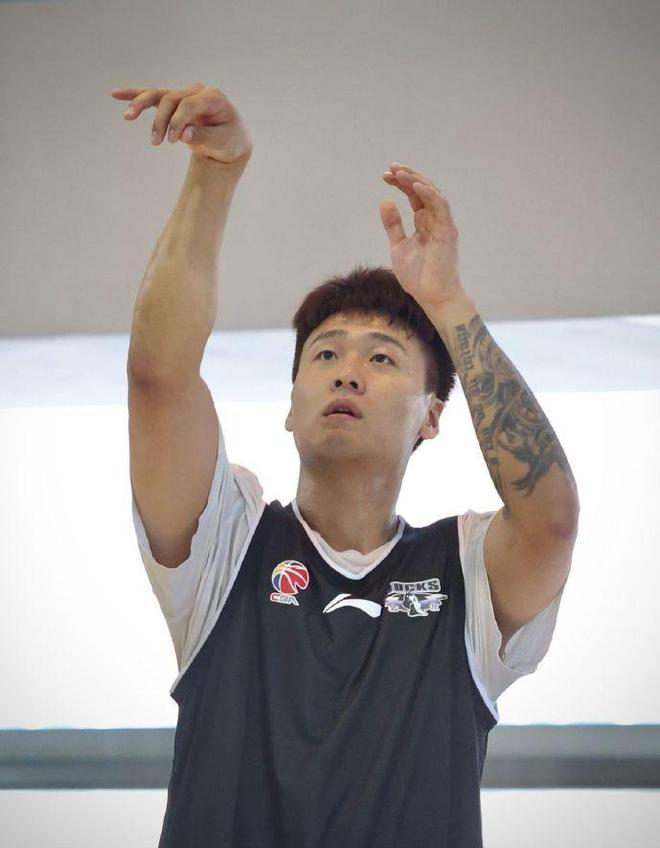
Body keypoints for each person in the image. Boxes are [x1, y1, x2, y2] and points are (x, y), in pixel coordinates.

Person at [116, 82, 578, 847]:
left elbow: (550, 519)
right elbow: (158, 378)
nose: (347, 372)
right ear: (290, 404)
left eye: (382, 358)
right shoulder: (226, 546)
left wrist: (447, 302)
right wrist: (214, 171)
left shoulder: (466, 573)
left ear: (432, 415)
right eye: (325, 355)